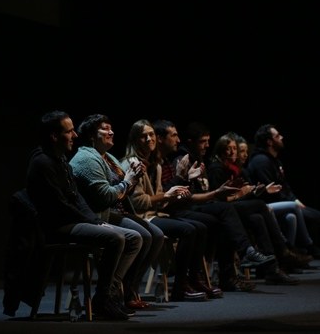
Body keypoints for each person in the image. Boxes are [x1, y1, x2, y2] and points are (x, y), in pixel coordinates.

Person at [25, 110, 143, 320]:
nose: (75, 135)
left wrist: (96, 221)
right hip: (57, 226)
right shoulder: (42, 163)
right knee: (116, 237)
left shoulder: (60, 160)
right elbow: (60, 205)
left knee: (133, 237)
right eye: (69, 131)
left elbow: (77, 198)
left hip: (73, 220)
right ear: (54, 136)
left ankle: (109, 294)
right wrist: (93, 222)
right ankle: (103, 300)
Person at [153, 119, 280, 290]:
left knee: (251, 214)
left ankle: (247, 266)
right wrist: (219, 193)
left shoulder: (187, 160)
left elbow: (191, 192)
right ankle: (252, 258)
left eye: (208, 141)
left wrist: (231, 192)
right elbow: (182, 196)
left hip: (190, 206)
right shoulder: (183, 160)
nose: (207, 145)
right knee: (230, 211)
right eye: (202, 141)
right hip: (179, 209)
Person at [69, 114, 166, 310]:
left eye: (111, 128)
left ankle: (128, 288)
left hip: (108, 213)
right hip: (94, 216)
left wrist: (134, 178)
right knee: (139, 236)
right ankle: (112, 291)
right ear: (91, 136)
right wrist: (129, 180)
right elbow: (106, 197)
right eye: (105, 129)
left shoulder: (109, 158)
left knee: (154, 234)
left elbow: (123, 192)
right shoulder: (87, 159)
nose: (111, 132)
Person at [120, 119, 213, 301]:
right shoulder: (131, 164)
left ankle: (194, 279)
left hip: (155, 214)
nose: (149, 139)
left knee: (200, 227)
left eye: (151, 134)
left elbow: (161, 202)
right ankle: (180, 287)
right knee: (188, 230)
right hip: (139, 217)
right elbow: (138, 202)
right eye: (144, 136)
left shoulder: (156, 165)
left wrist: (184, 181)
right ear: (135, 140)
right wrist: (167, 195)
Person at [206, 132, 313, 278]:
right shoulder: (216, 169)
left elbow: (241, 194)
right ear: (220, 150)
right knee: (261, 205)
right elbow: (219, 200)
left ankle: (271, 268)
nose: (232, 152)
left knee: (258, 218)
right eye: (228, 148)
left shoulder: (234, 169)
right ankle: (283, 252)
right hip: (224, 211)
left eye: (234, 148)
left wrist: (256, 191)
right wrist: (242, 193)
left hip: (234, 208)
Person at [247, 124, 320, 259]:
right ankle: (307, 245)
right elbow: (271, 191)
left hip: (282, 202)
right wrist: (292, 203)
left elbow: (285, 186)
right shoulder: (261, 161)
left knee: (294, 217)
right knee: (305, 214)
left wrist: (295, 199)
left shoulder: (275, 161)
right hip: (266, 205)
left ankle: (288, 257)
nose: (281, 137)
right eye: (277, 136)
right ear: (269, 142)